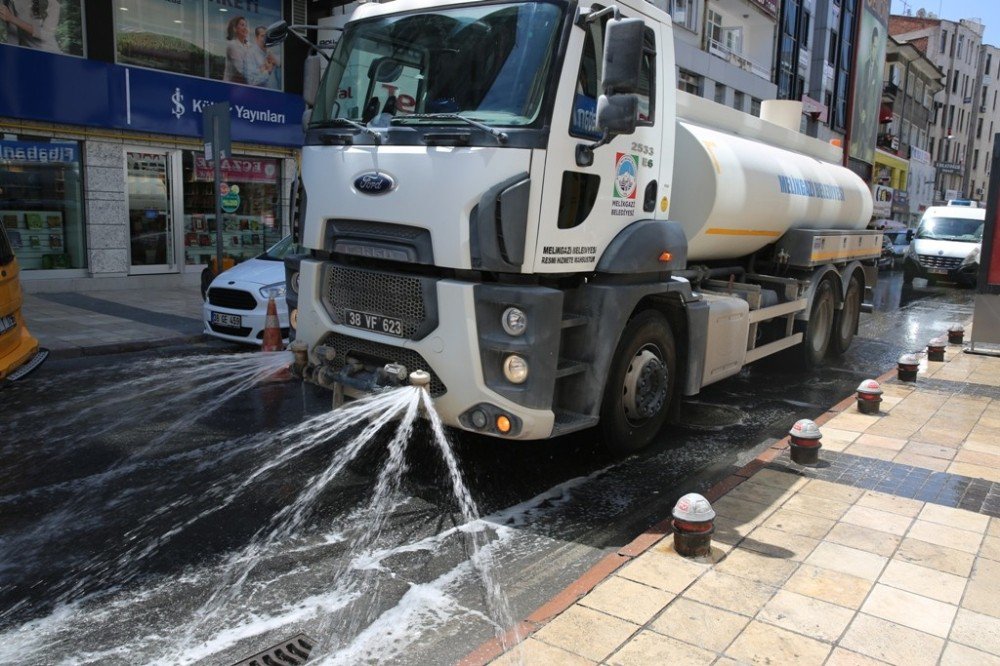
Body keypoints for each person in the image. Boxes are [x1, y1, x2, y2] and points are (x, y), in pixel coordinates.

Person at [251, 25, 281, 90]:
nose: (265, 38)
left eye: (266, 36)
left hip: (276, 93)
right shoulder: (251, 55)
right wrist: (267, 71)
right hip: (261, 95)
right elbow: (252, 82)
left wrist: (275, 60)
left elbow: (283, 63)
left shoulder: (272, 52)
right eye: (262, 36)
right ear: (256, 38)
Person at [223, 16, 251, 84]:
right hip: (231, 87)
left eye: (246, 25)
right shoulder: (232, 45)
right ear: (235, 28)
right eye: (242, 25)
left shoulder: (248, 45)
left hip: (244, 87)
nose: (245, 28)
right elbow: (241, 69)